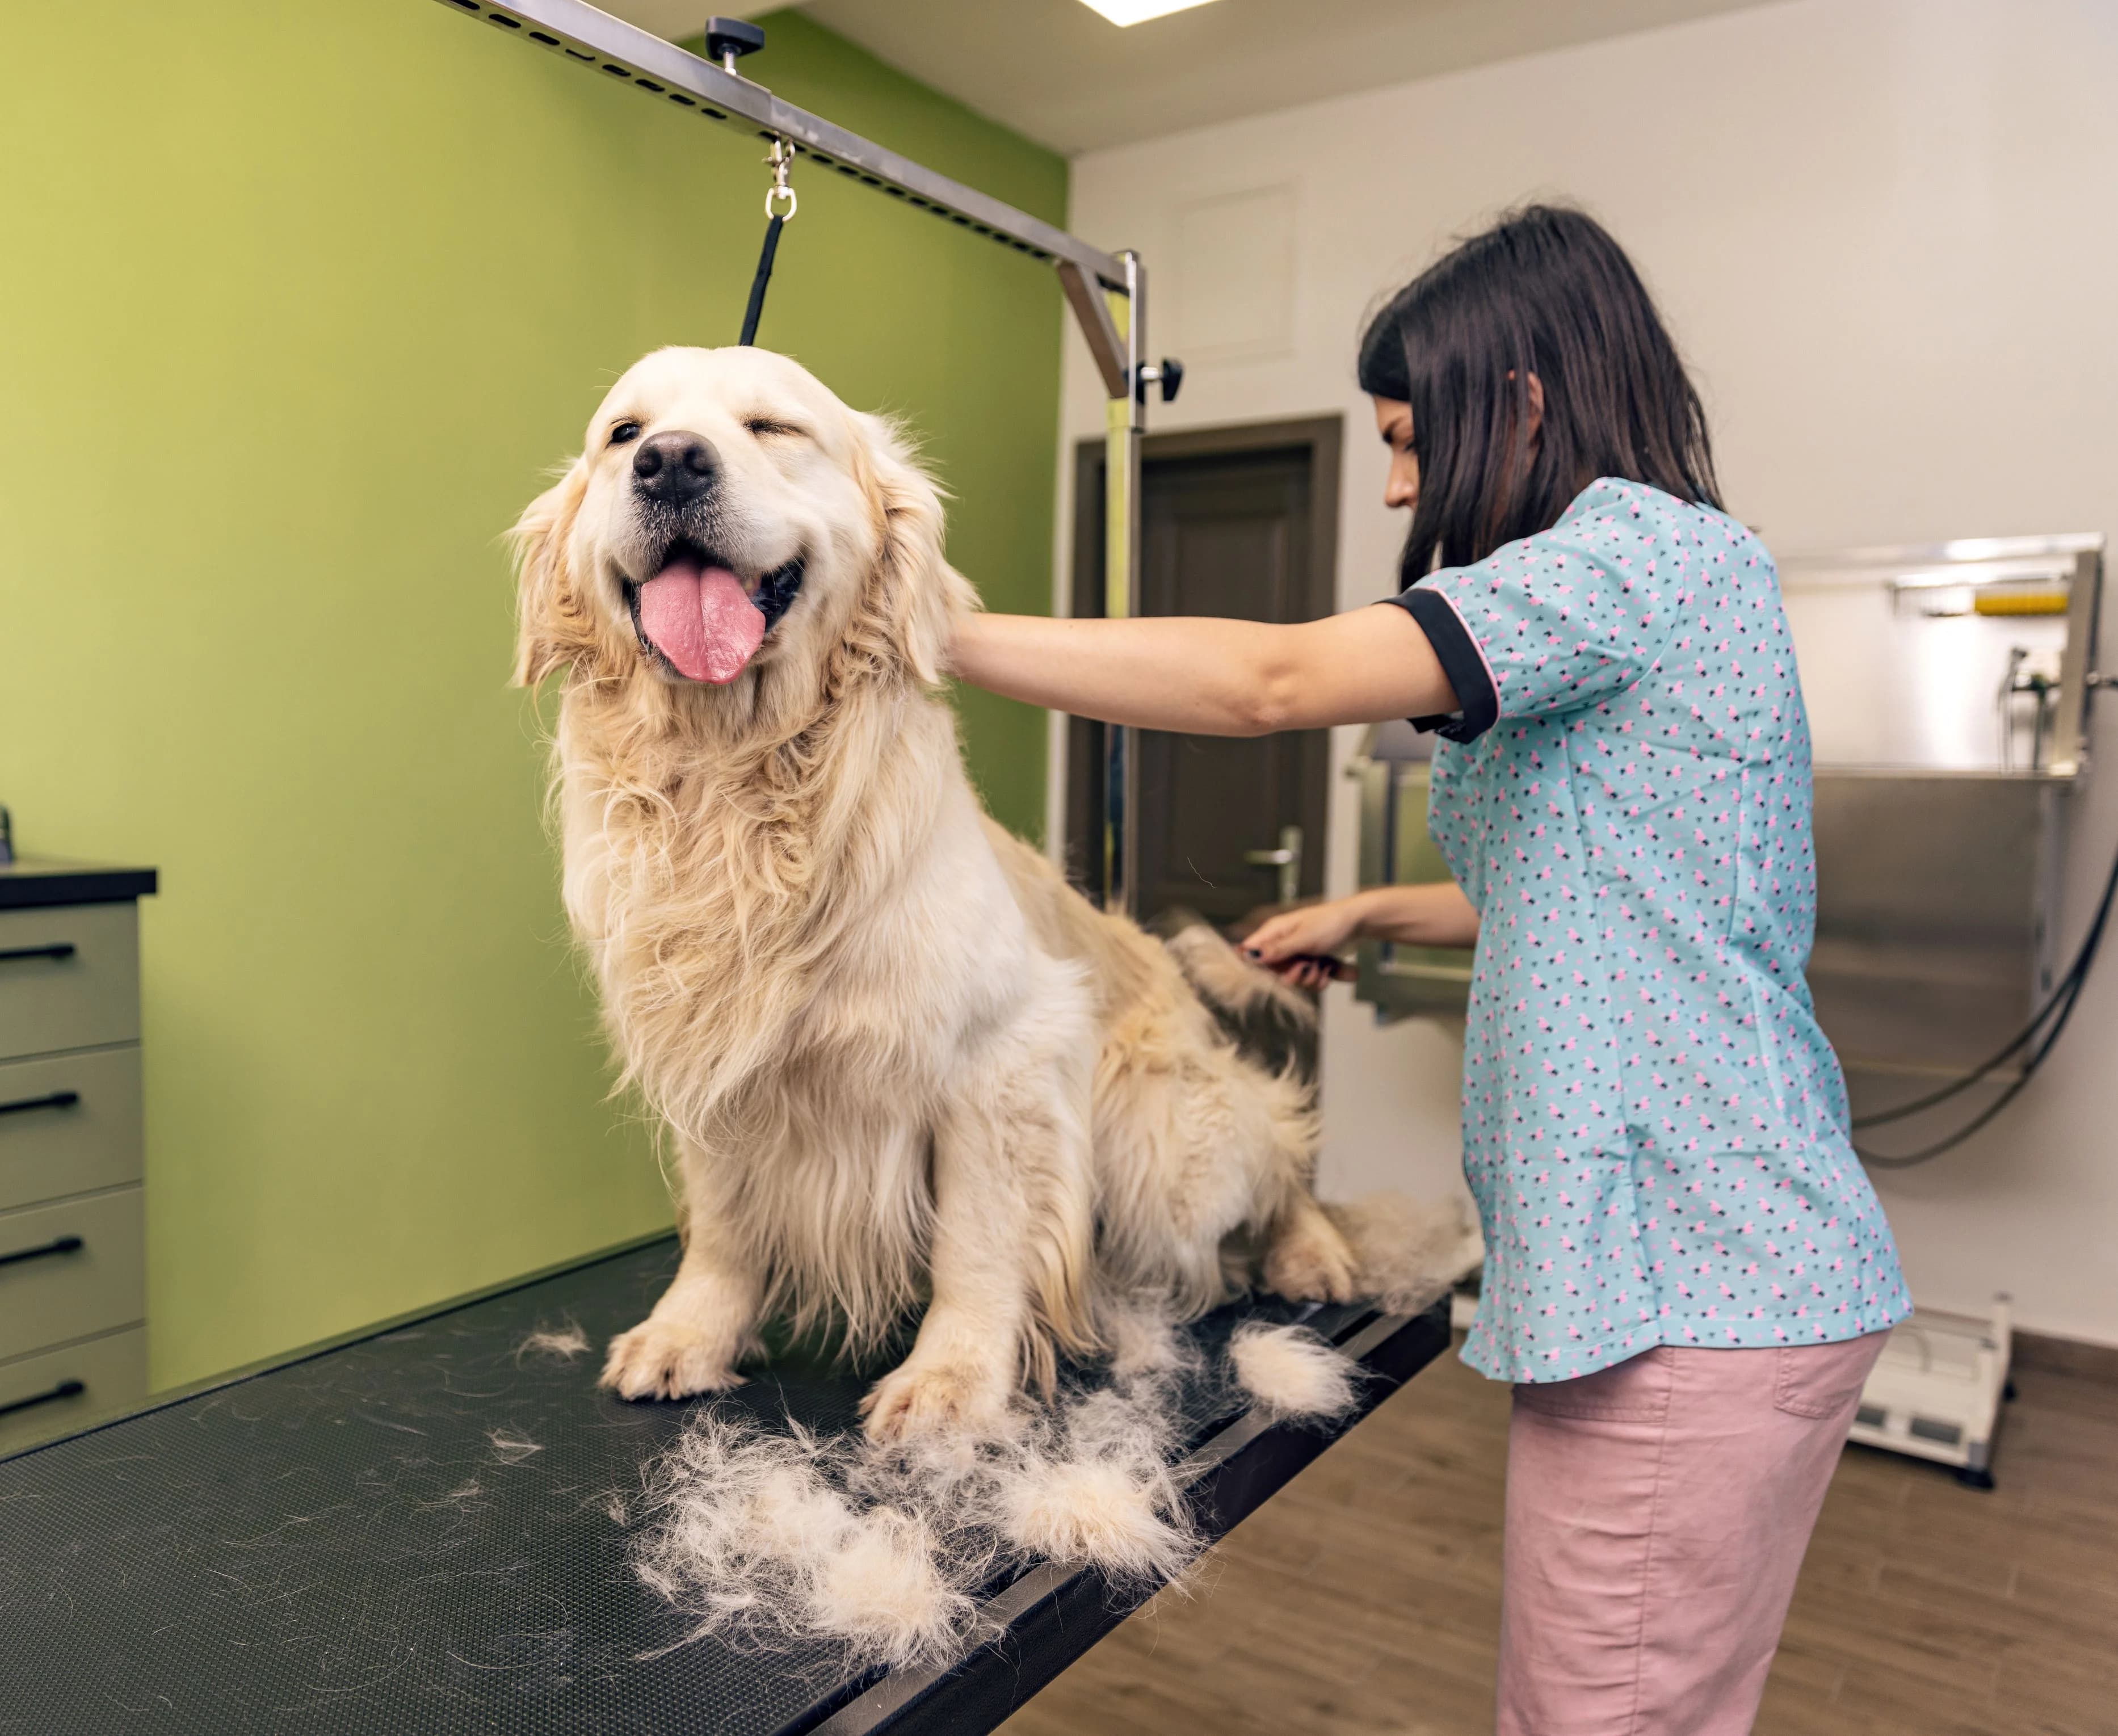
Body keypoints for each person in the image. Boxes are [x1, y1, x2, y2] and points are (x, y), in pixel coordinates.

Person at [950, 205, 1912, 1735]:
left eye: (1409, 441)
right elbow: (1607, 882)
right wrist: (1374, 911)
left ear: (1519, 401)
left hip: (1698, 1275)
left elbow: (1271, 682)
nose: (1399, 483)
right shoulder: (1659, 581)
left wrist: (944, 630)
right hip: (1711, 1271)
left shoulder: (1636, 563)